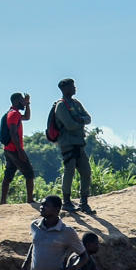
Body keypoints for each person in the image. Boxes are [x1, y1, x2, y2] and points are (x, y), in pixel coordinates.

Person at [46, 80, 94, 212]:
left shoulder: (76, 103)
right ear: (65, 88)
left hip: (79, 143)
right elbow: (69, 125)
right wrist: (81, 121)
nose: (75, 88)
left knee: (86, 172)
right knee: (69, 171)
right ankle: (66, 202)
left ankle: (84, 202)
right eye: (72, 86)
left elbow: (88, 118)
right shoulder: (61, 105)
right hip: (67, 143)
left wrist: (80, 120)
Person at [0, 92, 35, 206]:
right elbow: (13, 133)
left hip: (9, 149)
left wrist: (28, 104)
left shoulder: (15, 113)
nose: (23, 102)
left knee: (8, 174)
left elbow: (27, 117)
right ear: (15, 101)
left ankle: (2, 201)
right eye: (21, 100)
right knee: (29, 173)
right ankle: (30, 200)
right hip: (14, 150)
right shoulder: (13, 114)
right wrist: (20, 151)